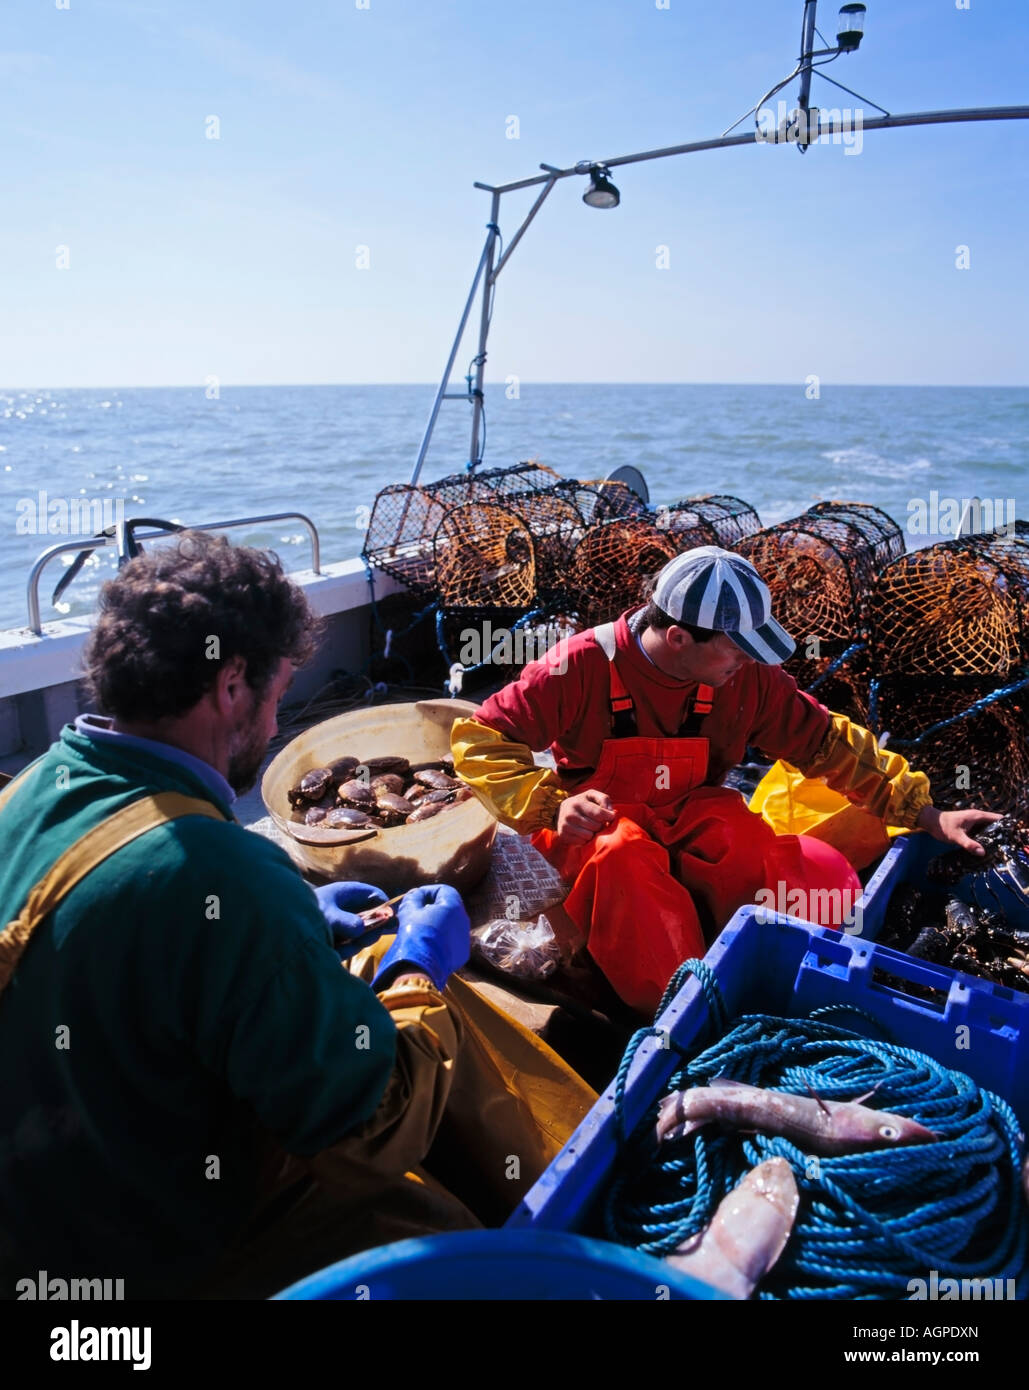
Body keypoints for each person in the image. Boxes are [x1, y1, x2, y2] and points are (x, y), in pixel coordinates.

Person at [0, 531, 593, 1301]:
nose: (278, 723)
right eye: (280, 693)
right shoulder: (226, 877)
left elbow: (114, 940)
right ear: (232, 686)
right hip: (137, 1254)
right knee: (442, 1237)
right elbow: (370, 1130)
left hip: (37, 1189)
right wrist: (419, 968)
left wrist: (300, 916)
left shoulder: (37, 785)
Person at [451, 545, 1001, 1015]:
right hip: (596, 825)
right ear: (677, 639)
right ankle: (682, 1004)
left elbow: (827, 741)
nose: (749, 661)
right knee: (626, 858)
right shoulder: (577, 665)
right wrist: (548, 807)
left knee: (775, 856)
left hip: (693, 809)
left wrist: (927, 813)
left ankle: (745, 955)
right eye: (737, 647)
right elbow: (480, 740)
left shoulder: (748, 678)